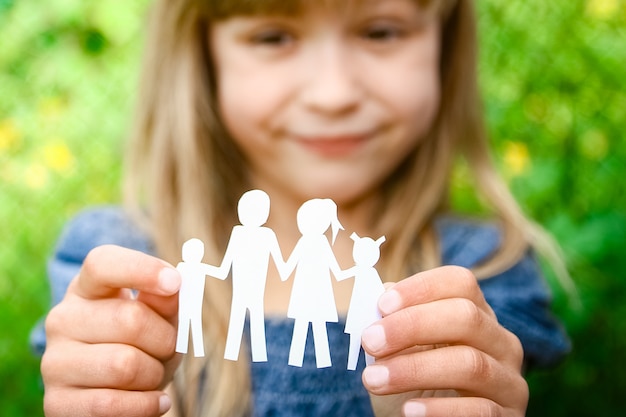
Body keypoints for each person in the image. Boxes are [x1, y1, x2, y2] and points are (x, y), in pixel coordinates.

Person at [36, 0, 571, 416]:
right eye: (273, 36)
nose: (333, 94)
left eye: (381, 30)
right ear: (203, 56)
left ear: (445, 44)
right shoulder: (119, 267)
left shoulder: (482, 276)